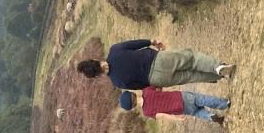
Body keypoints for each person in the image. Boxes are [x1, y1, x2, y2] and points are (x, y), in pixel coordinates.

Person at [77, 39, 235, 89]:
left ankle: (219, 76)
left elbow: (141, 86)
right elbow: (136, 44)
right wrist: (152, 42)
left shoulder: (117, 82)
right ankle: (218, 67)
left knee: (191, 76)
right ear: (95, 60)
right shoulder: (115, 51)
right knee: (191, 59)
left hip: (156, 80)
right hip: (157, 60)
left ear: (96, 75)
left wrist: (156, 86)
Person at [119, 87, 230, 124]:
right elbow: (159, 88)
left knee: (197, 112)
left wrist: (176, 118)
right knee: (202, 99)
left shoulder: (147, 112)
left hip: (179, 109)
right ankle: (224, 104)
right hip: (180, 96)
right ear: (133, 93)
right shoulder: (147, 91)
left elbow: (163, 115)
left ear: (133, 107)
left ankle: (210, 117)